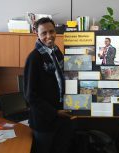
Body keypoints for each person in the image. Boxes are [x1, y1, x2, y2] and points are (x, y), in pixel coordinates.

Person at [23, 17, 73, 153]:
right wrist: (55, 112)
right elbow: (30, 96)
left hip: (63, 117)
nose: (49, 36)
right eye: (44, 33)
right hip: (44, 121)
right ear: (37, 34)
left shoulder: (57, 53)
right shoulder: (34, 58)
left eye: (51, 31)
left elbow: (64, 81)